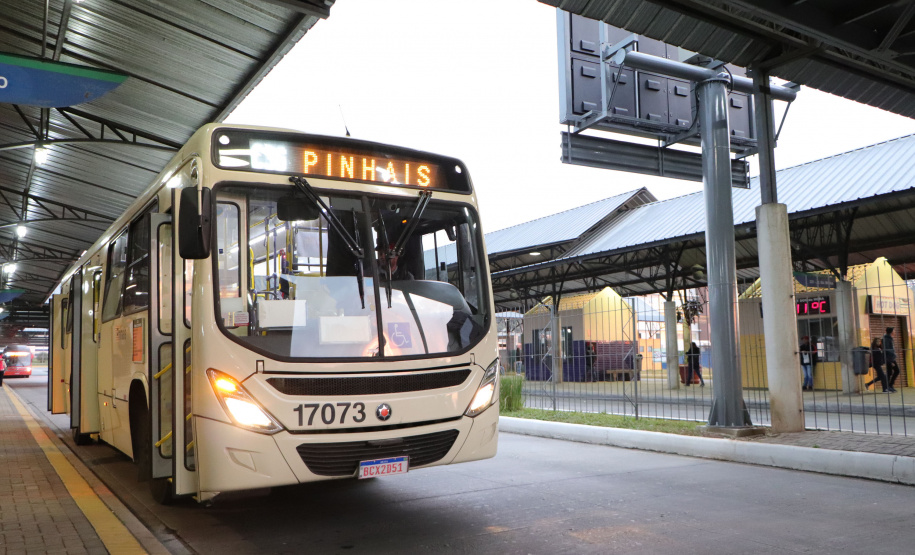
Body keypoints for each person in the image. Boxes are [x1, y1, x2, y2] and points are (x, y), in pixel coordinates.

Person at [883, 327, 900, 393]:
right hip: (889, 358)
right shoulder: (887, 339)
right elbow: (887, 349)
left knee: (890, 372)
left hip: (891, 358)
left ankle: (889, 386)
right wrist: (891, 358)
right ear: (891, 332)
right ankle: (889, 386)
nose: (895, 332)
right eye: (894, 331)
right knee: (896, 371)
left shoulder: (889, 338)